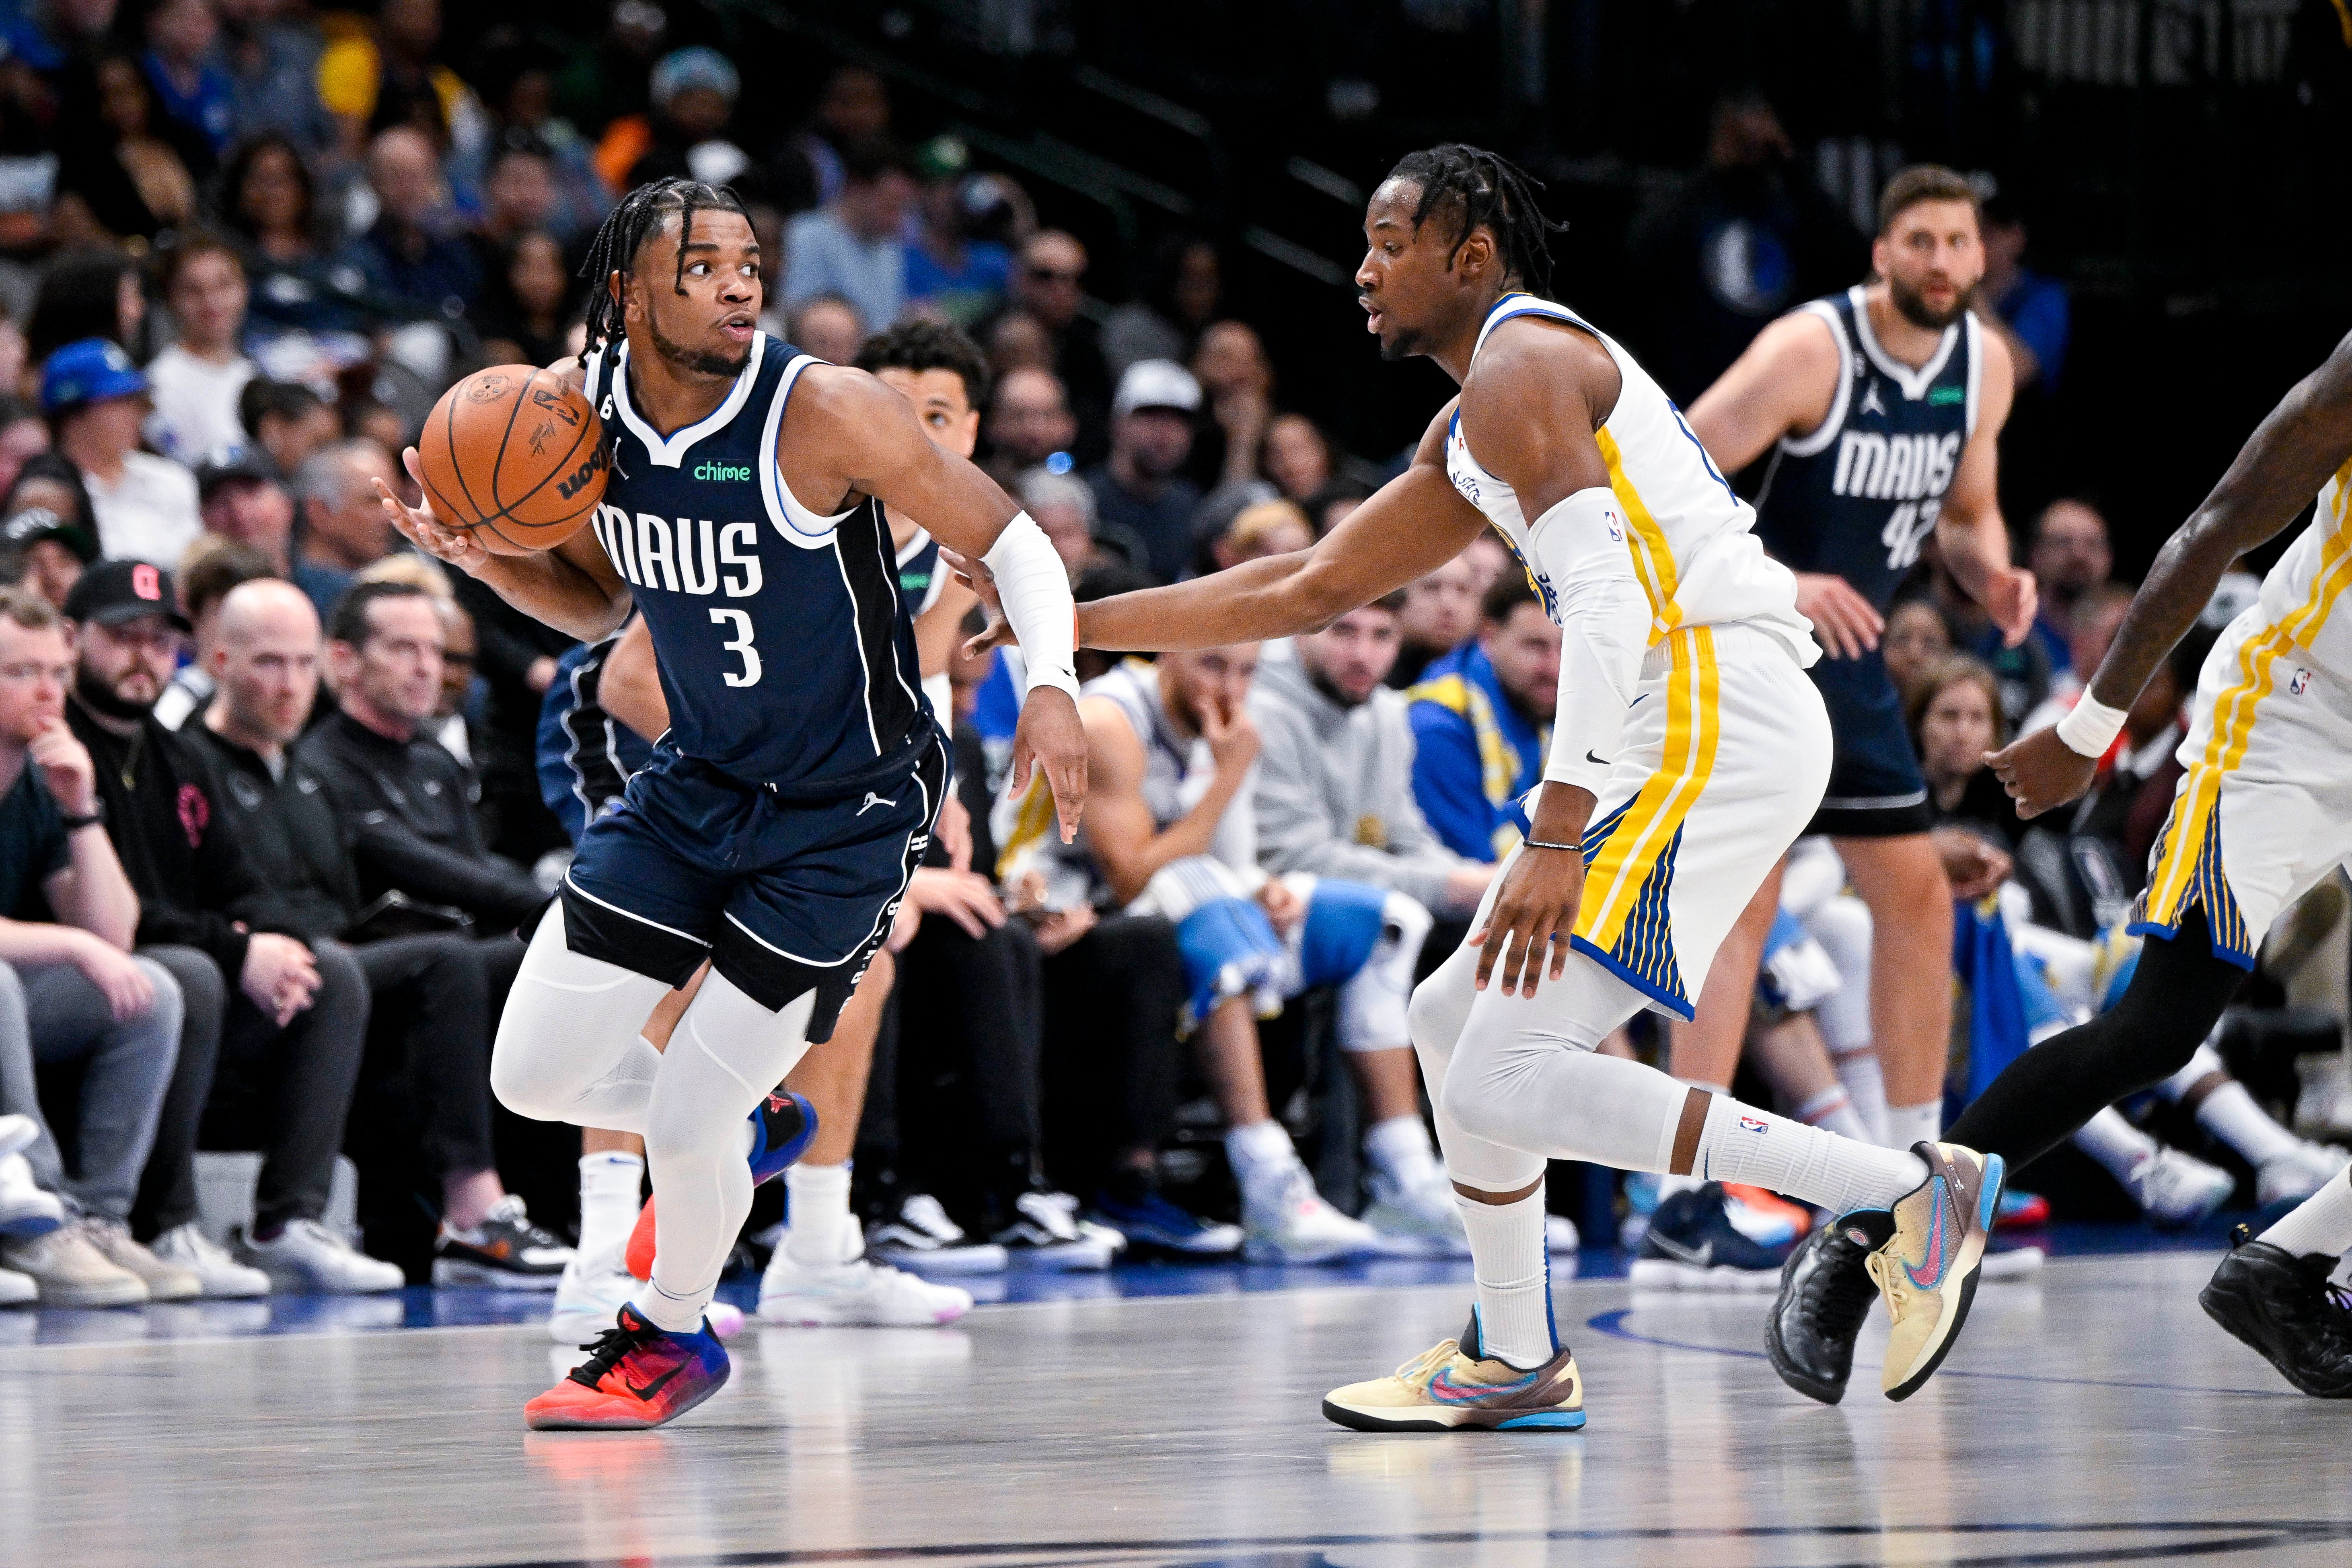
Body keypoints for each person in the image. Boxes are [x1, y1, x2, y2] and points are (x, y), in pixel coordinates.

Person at [966, 143, 1997, 1428]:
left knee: (1505, 1064)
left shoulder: (1519, 366)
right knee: (1456, 1023)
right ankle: (1513, 1351)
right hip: (1692, 711)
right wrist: (1064, 621)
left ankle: (1898, 1192)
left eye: (1387, 240)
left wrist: (1553, 828)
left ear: (1468, 255)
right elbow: (1306, 589)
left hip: (1703, 701)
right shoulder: (1481, 414)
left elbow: (1611, 608)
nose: (1360, 269)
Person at [373, 175, 1086, 1430]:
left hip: (845, 809)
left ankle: (669, 1336)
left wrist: (1054, 687)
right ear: (627, 292)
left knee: (689, 1118)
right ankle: (747, 1120)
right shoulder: (574, 409)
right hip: (694, 783)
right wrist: (488, 557)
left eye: (747, 259)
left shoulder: (825, 409)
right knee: (534, 1077)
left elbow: (1014, 537)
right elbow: (600, 607)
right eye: (700, 265)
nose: (738, 280)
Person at [1764, 330, 2352, 1401]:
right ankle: (1862, 1244)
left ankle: (2286, 1265)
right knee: (2157, 1029)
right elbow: (2219, 522)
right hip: (2294, 718)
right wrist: (2091, 724)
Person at [1685, 165, 2036, 1198]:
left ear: (1980, 258)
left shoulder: (1983, 366)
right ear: (1881, 254)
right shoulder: (1810, 349)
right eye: (1918, 242)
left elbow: (1967, 513)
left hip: (1851, 663)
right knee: (1739, 909)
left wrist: (1994, 574)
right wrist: (1786, 581)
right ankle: (1683, 1194)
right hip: (1750, 646)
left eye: (1957, 243)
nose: (1939, 261)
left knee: (1918, 897)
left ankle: (1914, 1170)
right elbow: (1665, 486)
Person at [203, 579, 569, 1286]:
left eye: (434, 650)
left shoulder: (431, 760)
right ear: (348, 662)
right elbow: (411, 864)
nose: (426, 667)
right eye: (403, 648)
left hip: (386, 954)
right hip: (360, 961)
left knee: (566, 959)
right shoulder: (321, 760)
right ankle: (472, 1211)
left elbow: (470, 870)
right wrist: (554, 898)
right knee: (459, 959)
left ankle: (586, 1206)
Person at [993, 641, 1396, 1264]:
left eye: (1246, 670)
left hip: (1132, 911)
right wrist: (1230, 773)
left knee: (1384, 920)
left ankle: (1407, 1174)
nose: (1229, 686)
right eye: (1213, 663)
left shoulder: (1228, 724)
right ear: (1167, 655)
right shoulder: (1109, 720)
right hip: (1042, 911)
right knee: (1206, 904)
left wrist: (1264, 888)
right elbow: (1133, 875)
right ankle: (1268, 1178)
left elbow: (1231, 861)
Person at [62, 559, 396, 1295]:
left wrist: (281, 947)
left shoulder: (175, 754)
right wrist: (238, 947)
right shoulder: (60, 748)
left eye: (159, 639)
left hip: (186, 977)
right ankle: (167, 1220)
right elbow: (120, 916)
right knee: (192, 974)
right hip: (99, 976)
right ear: (73, 640)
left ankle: (289, 1222)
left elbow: (239, 880)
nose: (144, 655)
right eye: (123, 637)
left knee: (331, 974)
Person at [1250, 595, 1499, 1251]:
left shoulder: (1386, 712)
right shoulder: (1260, 704)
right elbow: (1291, 853)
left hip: (1347, 904)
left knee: (1496, 930)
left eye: (1383, 635)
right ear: (1303, 625)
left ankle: (1480, 1174)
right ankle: (1397, 1174)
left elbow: (1403, 835)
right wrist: (1450, 882)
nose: (1363, 653)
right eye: (1343, 628)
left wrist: (1478, 882)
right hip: (1262, 901)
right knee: (1389, 919)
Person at [0, 586, 197, 1305]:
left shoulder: (37, 777)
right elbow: (85, 945)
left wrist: (82, 807)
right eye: (20, 672)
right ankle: (36, 1210)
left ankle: (96, 1214)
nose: (47, 690)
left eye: (55, 670)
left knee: (152, 990)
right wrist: (76, 948)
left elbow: (114, 934)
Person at [1405, 576, 1559, 863]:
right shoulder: (1438, 727)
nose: (1554, 667)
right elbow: (1474, 866)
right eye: (1535, 646)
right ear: (1489, 636)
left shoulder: (1530, 702)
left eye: (1566, 648)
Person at [42, 339, 204, 568]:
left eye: (136, 400)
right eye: (119, 401)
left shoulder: (172, 480)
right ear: (73, 414)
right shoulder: (50, 493)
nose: (137, 413)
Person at [341, 127, 481, 325]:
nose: (408, 188)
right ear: (373, 183)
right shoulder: (355, 257)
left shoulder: (457, 253)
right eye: (395, 176)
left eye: (417, 176)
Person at [1084, 360, 1204, 584]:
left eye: (1178, 421)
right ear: (1118, 424)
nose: (1165, 433)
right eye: (1150, 417)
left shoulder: (1191, 505)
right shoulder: (1083, 498)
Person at [782, 138, 917, 333]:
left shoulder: (891, 250)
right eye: (890, 207)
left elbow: (890, 319)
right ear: (858, 188)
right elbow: (796, 314)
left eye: (902, 210)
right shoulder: (807, 233)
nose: (897, 221)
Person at [145, 236, 257, 468]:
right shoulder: (159, 383)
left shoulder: (257, 374)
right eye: (194, 291)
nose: (212, 302)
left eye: (223, 285)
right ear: (172, 301)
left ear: (244, 290)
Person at [290, 439, 399, 620]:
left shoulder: (407, 573)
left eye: (394, 503)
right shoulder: (293, 602)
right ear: (321, 512)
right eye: (372, 502)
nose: (390, 518)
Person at [1389, 550, 1482, 690]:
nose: (1449, 606)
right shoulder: (1369, 676)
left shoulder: (1493, 682)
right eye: (1432, 587)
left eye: (1463, 590)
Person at [194, 450, 296, 574]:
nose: (239, 512)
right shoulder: (187, 591)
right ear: (202, 518)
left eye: (250, 491)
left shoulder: (322, 586)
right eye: (219, 500)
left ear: (287, 503)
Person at [981, 365, 1077, 488]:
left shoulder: (1088, 491)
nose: (1034, 429)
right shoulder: (977, 485)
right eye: (1018, 416)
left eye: (1048, 415)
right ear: (994, 422)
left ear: (1069, 423)